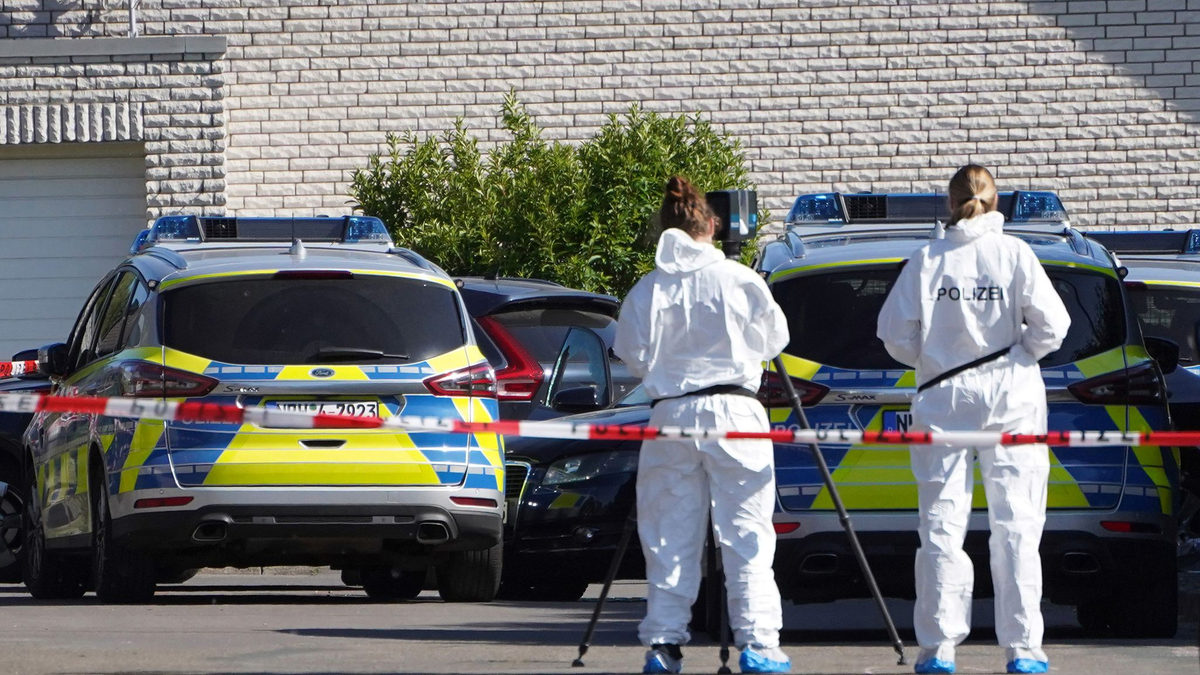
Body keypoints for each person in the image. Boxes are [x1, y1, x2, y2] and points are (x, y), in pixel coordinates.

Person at [877, 165, 1071, 675]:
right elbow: (1054, 326)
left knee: (940, 526)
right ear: (995, 200)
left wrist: (935, 358)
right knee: (1017, 527)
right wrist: (1017, 359)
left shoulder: (927, 260)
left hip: (942, 400)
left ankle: (939, 647)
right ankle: (1024, 649)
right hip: (1013, 400)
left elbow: (895, 335)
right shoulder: (1015, 255)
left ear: (949, 202)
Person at [613, 176, 792, 675]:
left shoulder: (648, 288)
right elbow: (775, 339)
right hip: (736, 410)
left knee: (669, 535)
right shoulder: (739, 279)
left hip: (672, 413)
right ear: (712, 226)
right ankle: (758, 642)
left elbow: (632, 356)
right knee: (747, 533)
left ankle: (665, 644)